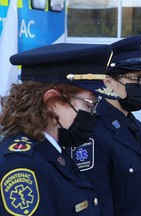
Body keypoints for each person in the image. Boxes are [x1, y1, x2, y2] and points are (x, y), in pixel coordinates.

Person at [0, 43, 117, 215]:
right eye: (89, 104)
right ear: (52, 102)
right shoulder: (23, 165)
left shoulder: (53, 152)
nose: (94, 113)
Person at [67, 35, 141, 216]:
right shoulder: (93, 131)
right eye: (136, 79)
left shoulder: (135, 125)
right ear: (109, 82)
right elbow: (97, 204)